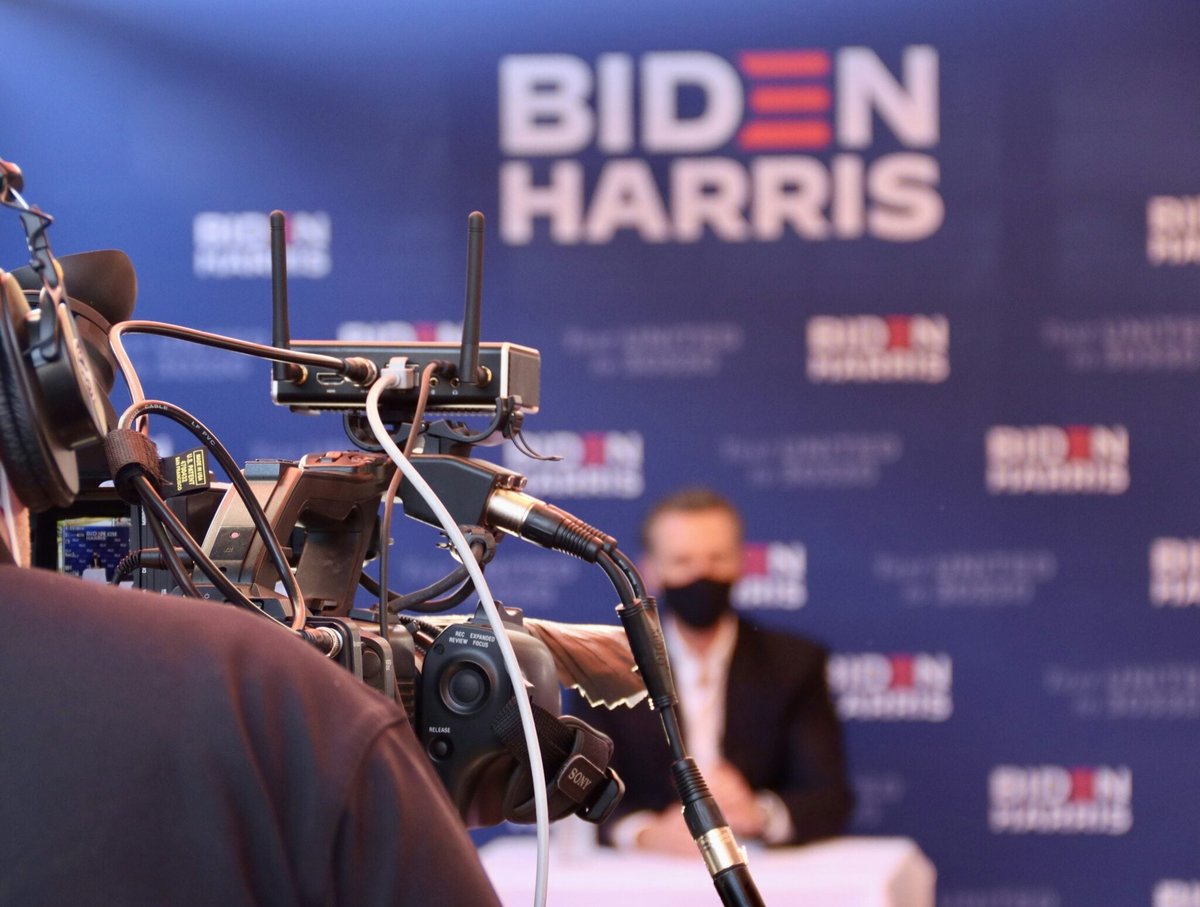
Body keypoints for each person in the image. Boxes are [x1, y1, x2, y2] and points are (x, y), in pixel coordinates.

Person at [581, 487, 852, 854]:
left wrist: (760, 814)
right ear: (650, 571)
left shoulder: (794, 663)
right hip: (650, 871)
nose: (702, 574)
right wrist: (645, 833)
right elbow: (585, 789)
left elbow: (829, 795)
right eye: (683, 561)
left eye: (717, 558)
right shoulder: (605, 666)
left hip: (759, 865)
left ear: (740, 561)